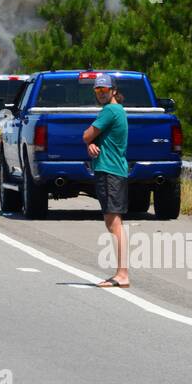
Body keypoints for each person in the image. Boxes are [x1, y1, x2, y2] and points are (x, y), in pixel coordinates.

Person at [82, 72, 130, 287]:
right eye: (97, 90)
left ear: (113, 91)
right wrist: (91, 144)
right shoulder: (114, 110)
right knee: (112, 222)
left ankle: (122, 274)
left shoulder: (110, 110)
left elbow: (86, 134)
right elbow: (92, 139)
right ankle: (121, 272)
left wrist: (89, 141)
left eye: (104, 90)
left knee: (114, 223)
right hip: (111, 169)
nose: (100, 94)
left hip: (111, 171)